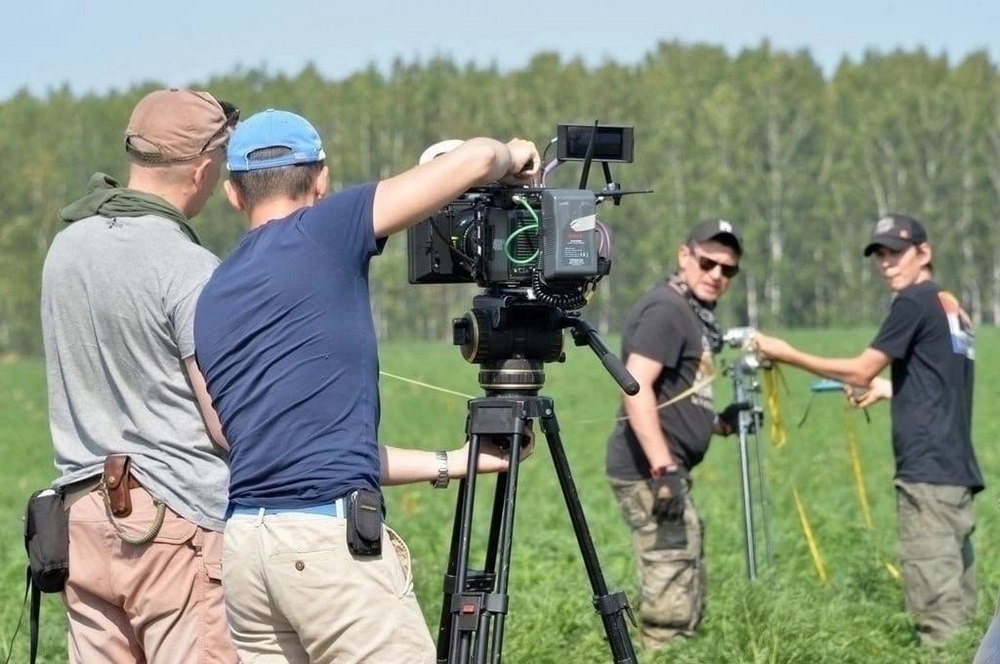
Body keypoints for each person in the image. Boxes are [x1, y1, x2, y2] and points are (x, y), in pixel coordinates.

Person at [192, 109, 540, 663]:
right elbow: (473, 159)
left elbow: (288, 450)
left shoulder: (213, 294)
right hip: (324, 551)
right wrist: (513, 153)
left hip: (246, 552)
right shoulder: (326, 228)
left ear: (233, 194)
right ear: (321, 179)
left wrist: (454, 461)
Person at [41, 89, 239, 662]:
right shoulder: (190, 266)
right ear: (203, 169)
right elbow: (223, 421)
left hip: (81, 516)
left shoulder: (66, 247)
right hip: (174, 521)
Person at [754, 213, 983, 646]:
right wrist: (888, 388)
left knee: (938, 617)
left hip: (927, 475)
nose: (885, 263)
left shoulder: (913, 302)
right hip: (956, 472)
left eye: (895, 252)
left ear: (924, 252)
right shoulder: (950, 306)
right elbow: (940, 383)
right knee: (961, 608)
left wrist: (785, 353)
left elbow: (860, 370)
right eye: (879, 254)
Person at [604, 219, 747, 650]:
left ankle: (678, 646)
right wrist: (663, 467)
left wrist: (719, 423)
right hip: (650, 471)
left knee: (684, 560)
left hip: (666, 467)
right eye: (708, 262)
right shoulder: (668, 310)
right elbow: (637, 386)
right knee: (670, 571)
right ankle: (664, 650)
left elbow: (678, 396)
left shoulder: (691, 314)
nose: (717, 275)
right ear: (684, 255)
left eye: (728, 270)